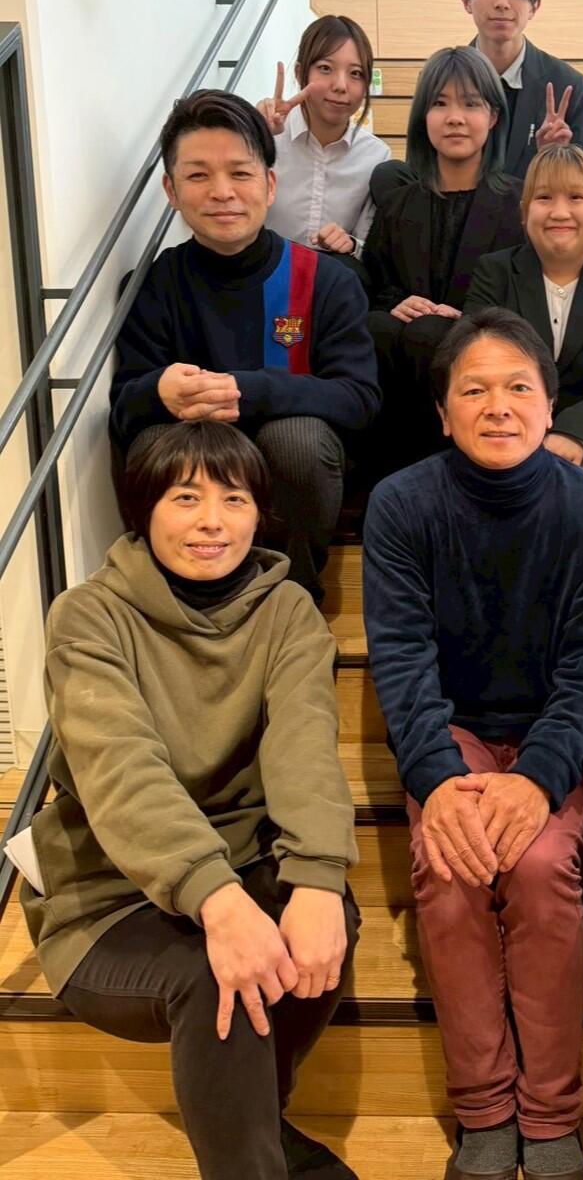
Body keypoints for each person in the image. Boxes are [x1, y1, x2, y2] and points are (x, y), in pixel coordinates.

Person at [21, 422, 362, 1180]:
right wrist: (219, 901)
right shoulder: (89, 615)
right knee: (218, 977)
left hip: (241, 862)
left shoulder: (287, 611)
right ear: (142, 510)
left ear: (259, 514)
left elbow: (304, 748)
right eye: (185, 498)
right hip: (106, 898)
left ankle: (259, 1136)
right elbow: (122, 771)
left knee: (325, 921)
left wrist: (317, 878)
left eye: (233, 499)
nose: (212, 521)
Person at [363, 309, 583, 1180]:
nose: (497, 406)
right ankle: (483, 1110)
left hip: (559, 730)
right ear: (442, 413)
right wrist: (440, 780)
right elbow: (401, 659)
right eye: (473, 390)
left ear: (550, 406)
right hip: (452, 730)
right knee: (449, 871)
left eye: (518, 387)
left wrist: (539, 781)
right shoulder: (400, 504)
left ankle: (550, 1115)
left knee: (540, 864)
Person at [109, 88, 379, 600]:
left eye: (240, 173)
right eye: (198, 176)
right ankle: (186, 601)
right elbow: (123, 408)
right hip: (196, 457)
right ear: (171, 190)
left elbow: (359, 397)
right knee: (151, 442)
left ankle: (293, 599)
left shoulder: (327, 279)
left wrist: (247, 391)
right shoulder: (153, 285)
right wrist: (159, 391)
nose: (222, 192)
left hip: (295, 467)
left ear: (270, 185)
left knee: (296, 440)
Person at [362, 47, 524, 474]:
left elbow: (524, 296)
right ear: (423, 117)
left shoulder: (519, 203)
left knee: (431, 335)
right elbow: (378, 284)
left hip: (486, 358)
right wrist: (398, 303)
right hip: (403, 362)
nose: (455, 118)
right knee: (378, 327)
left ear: (493, 116)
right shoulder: (398, 204)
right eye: (440, 103)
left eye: (470, 104)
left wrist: (467, 318)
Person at [464, 144, 583, 487]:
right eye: (544, 198)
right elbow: (478, 361)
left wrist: (575, 433)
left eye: (576, 197)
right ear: (525, 212)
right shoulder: (495, 272)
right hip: (505, 424)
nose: (560, 212)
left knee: (580, 485)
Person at [258, 14, 391, 262]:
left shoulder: (376, 156)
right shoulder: (266, 137)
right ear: (300, 73)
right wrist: (253, 137)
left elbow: (370, 249)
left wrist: (351, 245)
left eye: (355, 73)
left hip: (335, 279)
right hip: (263, 276)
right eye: (325, 69)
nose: (341, 85)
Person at [461, 0, 583, 180]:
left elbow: (581, 187)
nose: (502, 3)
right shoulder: (441, 81)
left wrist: (554, 159)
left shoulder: (567, 85)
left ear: (534, 6)